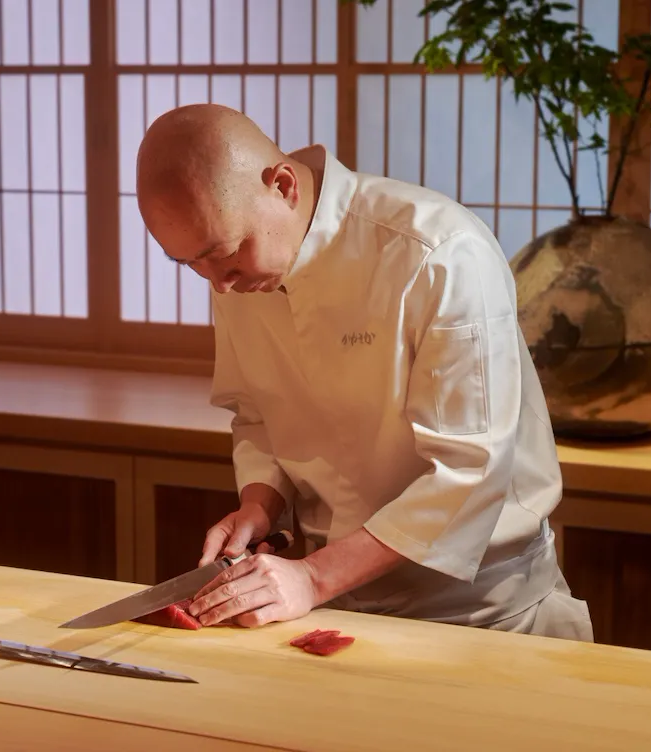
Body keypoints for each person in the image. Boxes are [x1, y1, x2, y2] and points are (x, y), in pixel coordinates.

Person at [134, 103, 593, 642]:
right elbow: (256, 413)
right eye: (191, 264)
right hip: (334, 605)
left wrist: (312, 575)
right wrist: (260, 504)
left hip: (485, 613)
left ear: (282, 186)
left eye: (225, 254)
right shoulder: (239, 274)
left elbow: (468, 471)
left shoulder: (439, 251)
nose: (218, 284)